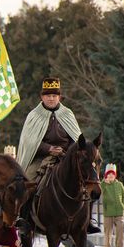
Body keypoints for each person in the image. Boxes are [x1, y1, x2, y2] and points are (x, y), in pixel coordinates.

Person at [16, 77, 100, 234]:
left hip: (67, 157)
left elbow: (77, 140)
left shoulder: (67, 114)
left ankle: (87, 221)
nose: (51, 98)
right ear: (42, 97)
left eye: (54, 95)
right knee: (26, 181)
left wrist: (67, 151)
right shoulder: (33, 116)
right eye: (47, 95)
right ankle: (24, 219)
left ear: (59, 97)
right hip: (40, 157)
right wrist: (49, 149)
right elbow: (29, 142)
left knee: (87, 182)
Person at [100, 164, 124, 247]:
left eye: (112, 174)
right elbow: (100, 190)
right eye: (109, 174)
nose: (111, 176)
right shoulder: (103, 184)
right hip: (108, 212)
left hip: (119, 211)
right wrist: (103, 182)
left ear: (115, 175)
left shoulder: (120, 184)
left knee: (120, 229)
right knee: (108, 231)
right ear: (106, 175)